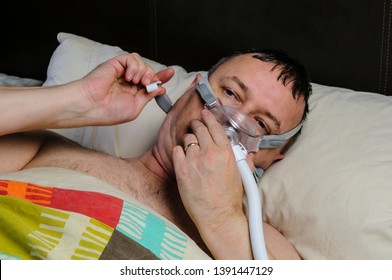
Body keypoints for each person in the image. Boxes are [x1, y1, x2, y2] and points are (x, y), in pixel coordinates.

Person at [0, 50, 311, 259]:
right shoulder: (43, 151)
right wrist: (79, 100)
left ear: (271, 156)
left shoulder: (262, 243)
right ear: (193, 89)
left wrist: (220, 217)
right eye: (229, 93)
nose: (229, 121)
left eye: (259, 123)